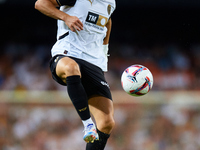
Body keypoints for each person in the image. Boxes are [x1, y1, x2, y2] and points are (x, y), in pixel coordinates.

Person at [35, 0, 116, 149]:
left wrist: (104, 51)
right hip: (67, 53)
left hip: (93, 62)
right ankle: (87, 124)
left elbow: (108, 20)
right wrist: (66, 17)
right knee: (72, 68)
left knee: (106, 123)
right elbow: (40, 3)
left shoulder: (110, 2)